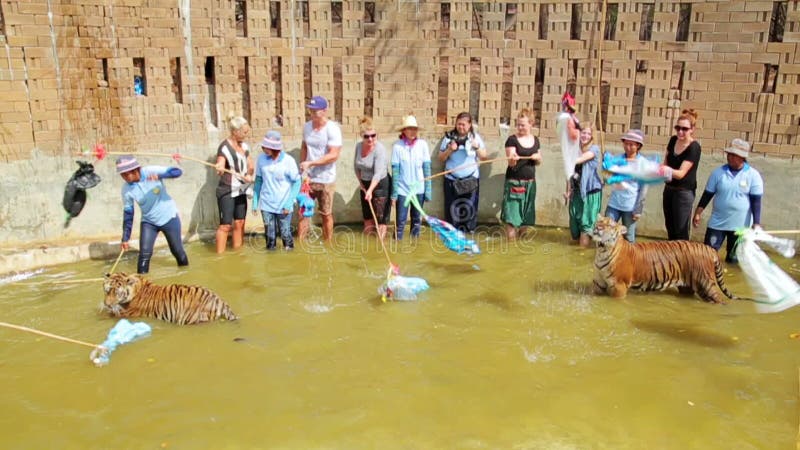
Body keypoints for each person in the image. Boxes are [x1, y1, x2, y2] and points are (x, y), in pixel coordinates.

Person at [692, 138, 763, 263]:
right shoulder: (718, 173)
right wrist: (698, 213)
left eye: (733, 155)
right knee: (707, 257)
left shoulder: (753, 175)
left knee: (734, 259)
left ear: (742, 157)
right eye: (729, 154)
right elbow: (707, 195)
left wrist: (756, 224)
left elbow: (756, 202)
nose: (729, 157)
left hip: (741, 226)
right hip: (717, 223)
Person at [116, 155, 188, 274]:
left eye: (125, 174)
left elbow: (177, 172)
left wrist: (161, 176)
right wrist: (125, 238)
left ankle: (186, 276)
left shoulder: (150, 171)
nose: (123, 177)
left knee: (177, 251)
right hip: (149, 222)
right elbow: (128, 214)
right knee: (144, 255)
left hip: (169, 217)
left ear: (134, 170)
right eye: (121, 174)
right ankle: (141, 285)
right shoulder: (126, 189)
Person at [298, 95, 342, 242]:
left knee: (326, 214)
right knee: (303, 212)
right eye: (310, 110)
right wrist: (303, 168)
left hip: (326, 179)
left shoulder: (332, 129)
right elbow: (304, 147)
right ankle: (301, 245)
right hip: (308, 179)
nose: (312, 113)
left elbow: (334, 155)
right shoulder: (307, 127)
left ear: (324, 111)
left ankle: (328, 243)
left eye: (315, 110)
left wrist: (311, 163)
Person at [438, 112, 488, 233]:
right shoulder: (449, 137)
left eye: (463, 125)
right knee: (452, 213)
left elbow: (484, 157)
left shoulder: (475, 138)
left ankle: (468, 237)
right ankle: (452, 239)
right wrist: (450, 150)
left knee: (469, 212)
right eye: (458, 124)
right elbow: (441, 158)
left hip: (471, 181)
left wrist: (476, 147)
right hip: (452, 180)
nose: (461, 127)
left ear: (470, 125)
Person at [252, 131, 301, 251]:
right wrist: (255, 202)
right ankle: (271, 260)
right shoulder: (261, 159)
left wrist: (289, 203)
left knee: (285, 234)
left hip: (283, 205)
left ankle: (289, 259)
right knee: (270, 236)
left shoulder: (288, 161)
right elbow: (258, 181)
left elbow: (297, 182)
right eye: (263, 146)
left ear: (274, 148)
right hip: (267, 205)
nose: (263, 149)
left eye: (266, 147)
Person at [214, 113, 253, 253]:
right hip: (227, 189)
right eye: (244, 132)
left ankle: (238, 252)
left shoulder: (245, 147)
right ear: (235, 132)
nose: (246, 134)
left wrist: (249, 174)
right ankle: (220, 257)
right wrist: (219, 167)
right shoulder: (224, 147)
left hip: (242, 187)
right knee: (225, 225)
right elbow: (220, 164)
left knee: (240, 222)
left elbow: (250, 165)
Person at [502, 108, 542, 239]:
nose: (519, 127)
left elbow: (539, 161)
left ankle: (521, 245)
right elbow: (511, 163)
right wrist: (513, 159)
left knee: (526, 218)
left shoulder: (536, 140)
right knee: (512, 218)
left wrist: (537, 158)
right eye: (518, 124)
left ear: (531, 124)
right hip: (515, 182)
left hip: (530, 184)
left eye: (523, 125)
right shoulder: (512, 140)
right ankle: (511, 247)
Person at [604, 129, 649, 243]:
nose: (628, 147)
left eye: (631, 144)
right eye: (626, 143)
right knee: (607, 232)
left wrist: (638, 209)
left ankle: (631, 260)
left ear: (638, 146)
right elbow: (608, 178)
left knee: (629, 237)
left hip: (630, 207)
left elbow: (643, 189)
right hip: (614, 203)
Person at [662, 108, 701, 240]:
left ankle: (683, 258)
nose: (680, 132)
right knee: (670, 227)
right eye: (677, 128)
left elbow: (680, 174)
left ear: (692, 129)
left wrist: (664, 170)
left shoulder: (694, 147)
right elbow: (666, 161)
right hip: (669, 189)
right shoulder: (673, 140)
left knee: (680, 230)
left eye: (684, 129)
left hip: (683, 193)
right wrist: (663, 169)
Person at [391, 115, 431, 240]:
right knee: (400, 222)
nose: (413, 131)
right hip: (403, 190)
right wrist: (394, 194)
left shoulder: (422, 145)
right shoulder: (397, 146)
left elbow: (427, 169)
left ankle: (414, 246)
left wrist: (428, 190)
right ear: (404, 131)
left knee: (416, 221)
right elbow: (395, 172)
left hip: (419, 190)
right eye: (409, 129)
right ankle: (397, 245)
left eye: (415, 129)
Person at [354, 117, 391, 239]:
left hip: (380, 185)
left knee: (380, 219)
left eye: (373, 135)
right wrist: (362, 185)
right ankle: (369, 245)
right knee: (367, 216)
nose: (370, 139)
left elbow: (378, 173)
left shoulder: (379, 150)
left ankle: (381, 243)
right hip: (365, 185)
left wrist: (370, 190)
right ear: (361, 136)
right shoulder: (358, 147)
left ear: (377, 135)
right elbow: (356, 167)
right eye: (366, 136)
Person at [567, 123, 603, 247]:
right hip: (576, 192)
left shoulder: (594, 149)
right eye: (583, 132)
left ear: (592, 136)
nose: (585, 136)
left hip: (590, 193)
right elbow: (569, 172)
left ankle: (582, 255)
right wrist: (568, 191)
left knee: (585, 227)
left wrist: (569, 156)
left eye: (588, 133)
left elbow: (580, 159)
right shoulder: (574, 148)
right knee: (574, 227)